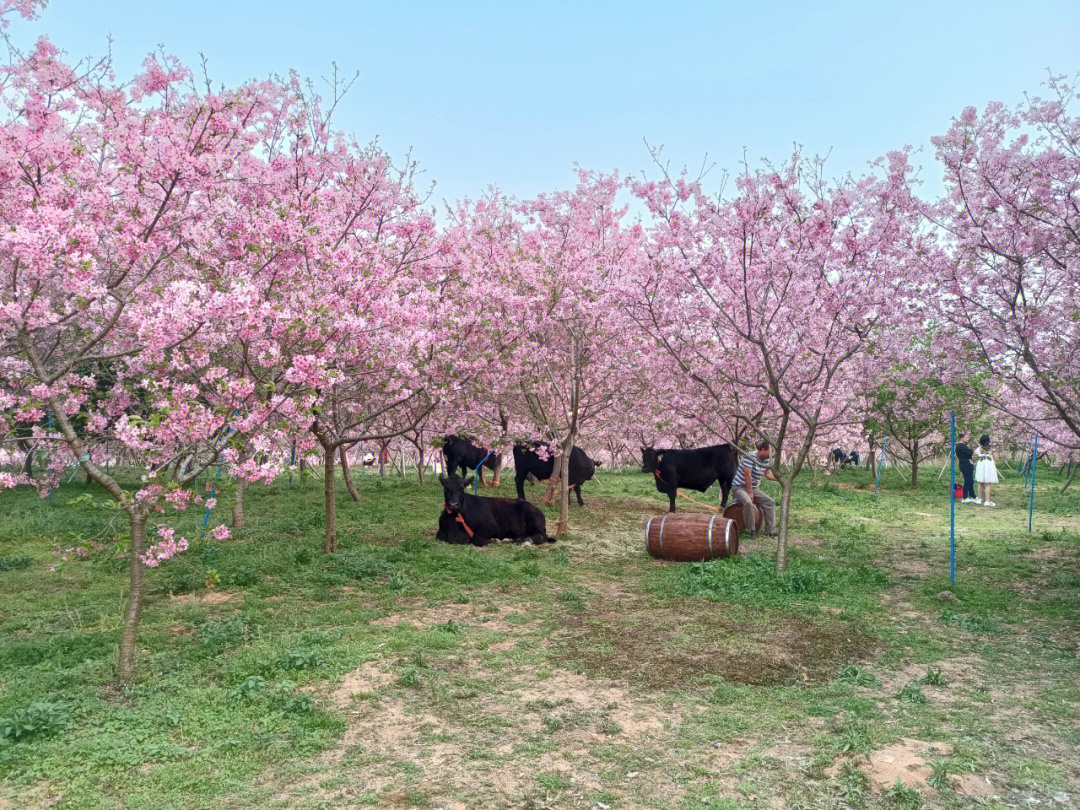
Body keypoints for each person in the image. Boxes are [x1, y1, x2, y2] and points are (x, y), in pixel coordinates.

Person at [732, 439, 777, 536]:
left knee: (770, 502)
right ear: (762, 449)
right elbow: (747, 475)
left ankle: (770, 531)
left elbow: (768, 474)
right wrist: (750, 492)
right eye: (769, 451)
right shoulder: (750, 456)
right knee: (748, 502)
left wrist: (779, 479)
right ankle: (750, 530)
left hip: (754, 488)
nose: (771, 454)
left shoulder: (766, 460)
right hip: (739, 487)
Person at [974, 434, 999, 506]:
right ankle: (987, 501)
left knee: (980, 482)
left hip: (981, 465)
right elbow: (996, 458)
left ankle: (979, 499)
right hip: (989, 465)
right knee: (988, 483)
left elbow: (974, 457)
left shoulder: (978, 449)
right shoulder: (992, 449)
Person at [955, 431, 976, 502]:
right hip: (965, 465)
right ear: (962, 438)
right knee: (967, 481)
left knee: (970, 481)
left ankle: (973, 496)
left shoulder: (963, 446)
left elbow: (969, 454)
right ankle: (965, 497)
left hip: (967, 464)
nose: (968, 439)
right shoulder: (961, 446)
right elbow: (970, 452)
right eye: (966, 437)